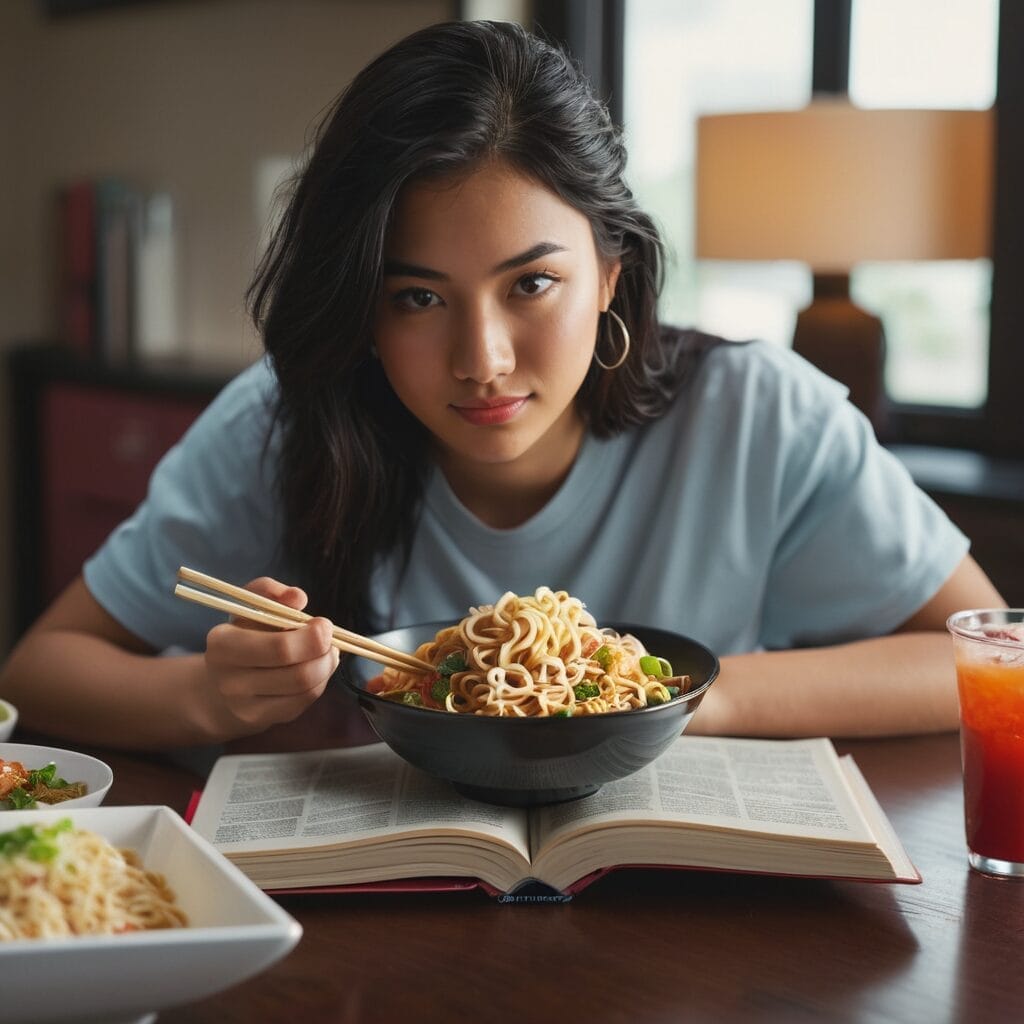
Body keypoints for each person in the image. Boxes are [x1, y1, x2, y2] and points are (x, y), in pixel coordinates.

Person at [0, 20, 1003, 752]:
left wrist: (671, 695)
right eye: (418, 299)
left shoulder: (757, 413)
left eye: (531, 283)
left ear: (611, 269)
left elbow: (986, 656)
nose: (482, 359)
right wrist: (204, 699)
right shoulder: (288, 414)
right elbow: (40, 669)